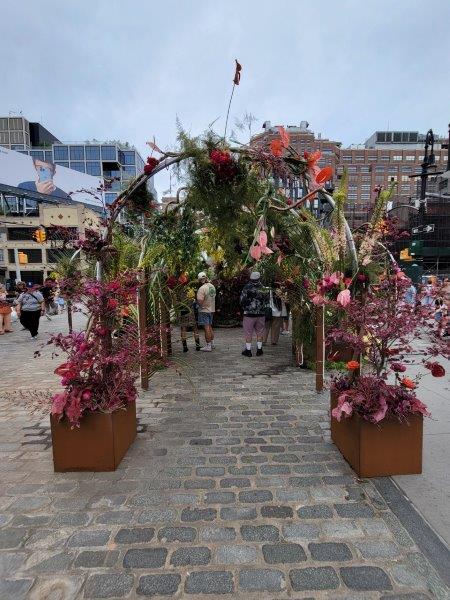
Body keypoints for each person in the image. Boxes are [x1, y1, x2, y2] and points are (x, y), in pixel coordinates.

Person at [240, 271, 269, 357]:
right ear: (259, 278)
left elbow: (241, 300)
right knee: (260, 332)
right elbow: (267, 301)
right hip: (261, 314)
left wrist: (245, 308)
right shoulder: (264, 288)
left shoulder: (246, 288)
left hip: (249, 314)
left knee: (248, 332)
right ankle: (259, 350)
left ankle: (248, 351)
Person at [196, 272, 216, 352]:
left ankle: (208, 346)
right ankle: (212, 343)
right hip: (211, 309)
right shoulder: (212, 286)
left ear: (200, 280)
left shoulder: (202, 288)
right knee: (210, 326)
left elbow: (200, 301)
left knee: (206, 328)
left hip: (204, 310)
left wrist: (197, 304)